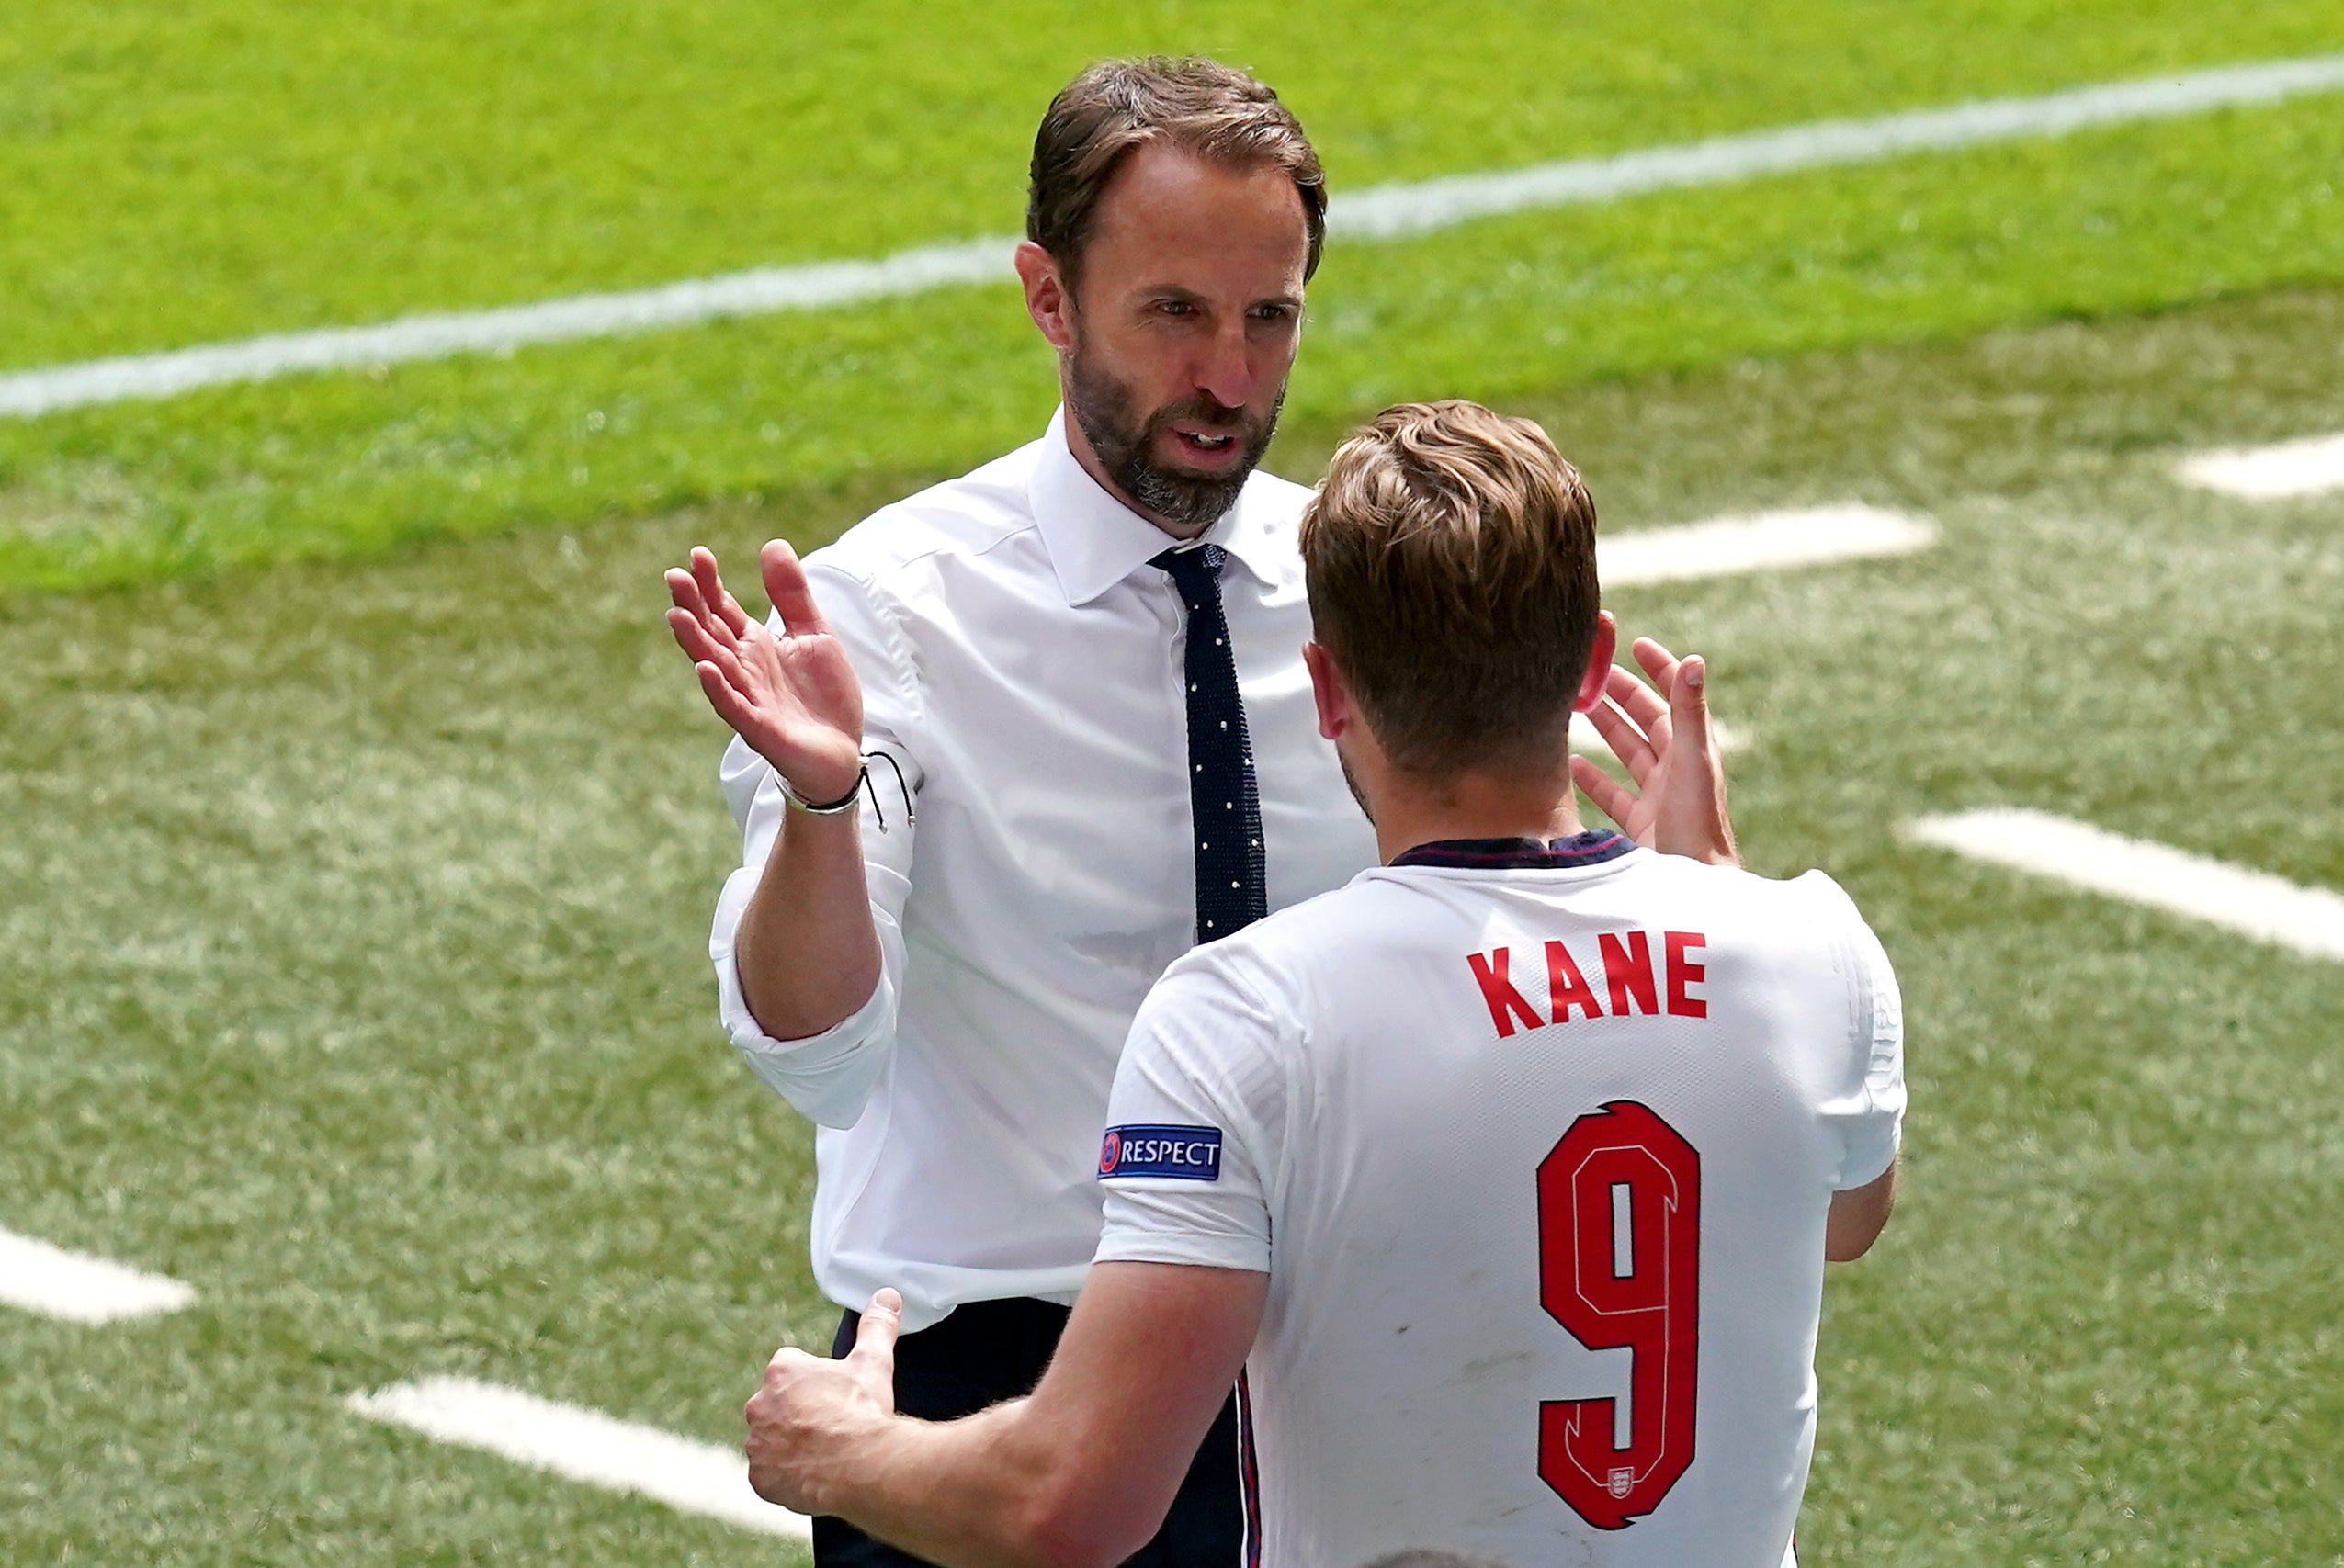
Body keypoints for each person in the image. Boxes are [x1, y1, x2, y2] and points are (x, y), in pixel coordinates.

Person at [667, 57, 1731, 1566]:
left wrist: (1677, 890)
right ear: (1048, 294)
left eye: (1269, 315)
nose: (1229, 378)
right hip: (1006, 1374)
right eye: (1175, 313)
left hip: (1351, 1364)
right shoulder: (883, 616)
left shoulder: (1370, 588)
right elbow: (814, 1044)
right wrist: (826, 805)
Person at [739, 401, 1902, 1568]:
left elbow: (1071, 1504)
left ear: (1328, 692)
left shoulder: (1247, 1018)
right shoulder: (1811, 951)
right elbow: (1840, 1215)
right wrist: (1706, 890)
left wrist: (833, 1450)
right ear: (1588, 664)